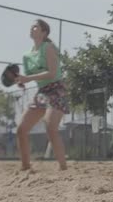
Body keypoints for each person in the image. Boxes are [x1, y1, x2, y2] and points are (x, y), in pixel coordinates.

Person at [15, 19, 70, 171]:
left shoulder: (49, 47)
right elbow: (30, 77)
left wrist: (29, 78)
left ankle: (63, 168)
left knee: (50, 126)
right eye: (31, 26)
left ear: (44, 32)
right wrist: (22, 81)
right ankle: (26, 167)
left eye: (35, 26)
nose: (32, 28)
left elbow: (52, 73)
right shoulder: (27, 56)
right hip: (42, 92)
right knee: (21, 129)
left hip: (57, 89)